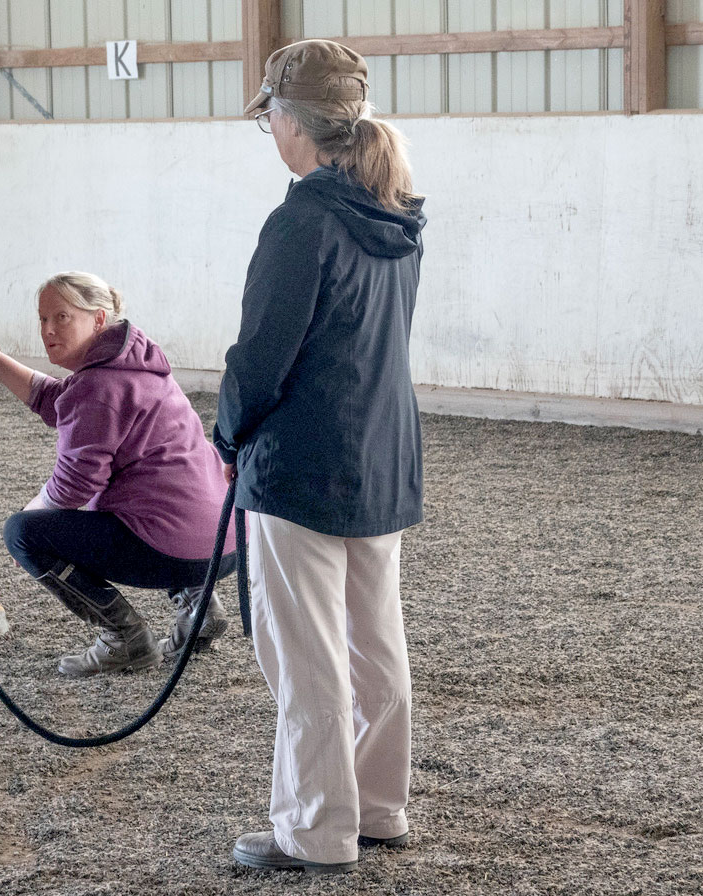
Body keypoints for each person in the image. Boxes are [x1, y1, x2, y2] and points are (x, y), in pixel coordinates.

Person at [214, 40, 427, 874]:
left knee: (305, 659)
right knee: (376, 647)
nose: (268, 130)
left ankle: (314, 830)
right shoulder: (398, 211)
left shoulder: (301, 218)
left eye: (270, 115)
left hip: (302, 466)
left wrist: (228, 435)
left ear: (294, 123)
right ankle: (378, 808)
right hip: (381, 455)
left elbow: (261, 358)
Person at [0, 271, 235, 678]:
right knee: (162, 493)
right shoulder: (138, 362)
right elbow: (57, 399)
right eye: (43, 319)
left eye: (62, 317)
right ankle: (200, 606)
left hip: (174, 549)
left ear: (98, 319)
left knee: (22, 533)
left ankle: (124, 639)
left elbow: (74, 485)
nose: (48, 330)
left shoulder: (97, 387)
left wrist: (29, 516)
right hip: (224, 543)